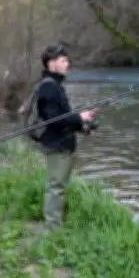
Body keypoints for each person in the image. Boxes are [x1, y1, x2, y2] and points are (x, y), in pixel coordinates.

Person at [34, 44, 97, 229]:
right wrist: (80, 117)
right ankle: (52, 228)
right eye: (63, 61)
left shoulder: (55, 86)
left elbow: (64, 118)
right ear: (51, 63)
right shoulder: (49, 88)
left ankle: (55, 224)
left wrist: (83, 126)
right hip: (57, 145)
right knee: (56, 187)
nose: (67, 64)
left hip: (63, 144)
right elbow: (54, 119)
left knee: (59, 186)